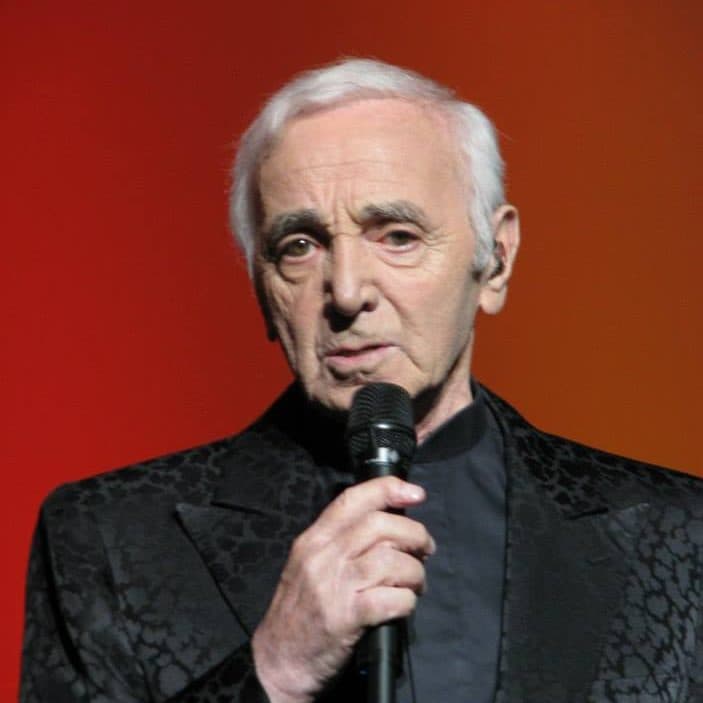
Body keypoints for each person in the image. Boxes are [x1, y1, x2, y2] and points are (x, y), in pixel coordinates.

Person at [20, 58, 703, 703]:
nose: (346, 292)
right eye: (299, 246)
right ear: (261, 289)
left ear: (495, 260)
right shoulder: (111, 536)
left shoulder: (677, 532)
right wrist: (275, 670)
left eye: (397, 236)